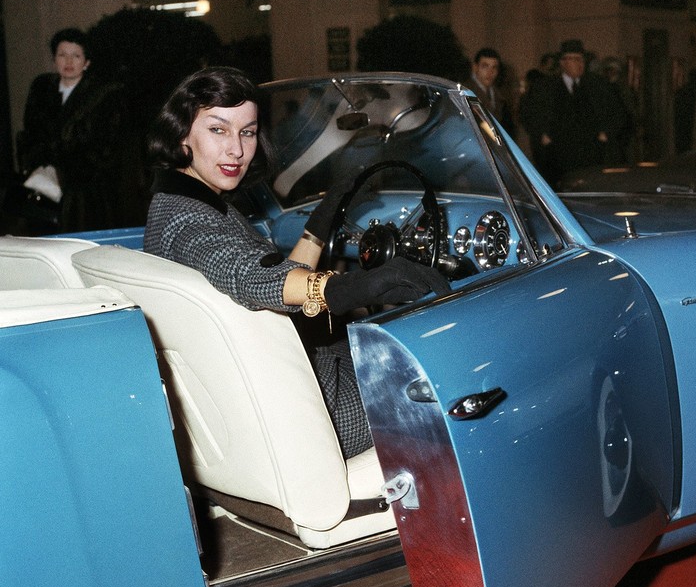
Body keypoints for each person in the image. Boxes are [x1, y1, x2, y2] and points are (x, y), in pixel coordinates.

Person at [144, 66, 449, 458]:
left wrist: (323, 218)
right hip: (317, 414)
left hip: (267, 394)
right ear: (182, 132)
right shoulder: (189, 221)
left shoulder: (178, 201)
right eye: (218, 130)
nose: (236, 149)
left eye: (248, 132)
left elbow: (276, 275)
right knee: (440, 373)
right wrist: (351, 286)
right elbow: (248, 276)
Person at [18, 27, 129, 231]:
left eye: (76, 56)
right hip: (45, 182)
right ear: (54, 59)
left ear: (86, 62)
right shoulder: (42, 87)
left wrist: (65, 170)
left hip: (84, 190)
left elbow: (104, 145)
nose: (68, 62)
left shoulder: (103, 94)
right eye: (62, 55)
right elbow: (31, 131)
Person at [520, 38, 628, 186]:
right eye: (574, 60)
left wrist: (606, 133)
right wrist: (542, 135)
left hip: (592, 152)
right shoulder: (545, 87)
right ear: (563, 62)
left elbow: (618, 113)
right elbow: (528, 114)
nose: (580, 64)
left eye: (581, 60)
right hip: (557, 155)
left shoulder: (598, 85)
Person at [465, 48, 515, 136]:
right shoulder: (465, 91)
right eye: (485, 66)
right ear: (475, 67)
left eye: (494, 67)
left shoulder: (499, 94)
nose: (490, 72)